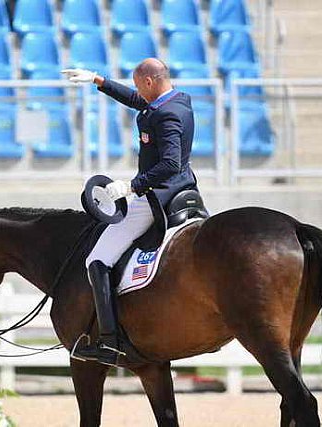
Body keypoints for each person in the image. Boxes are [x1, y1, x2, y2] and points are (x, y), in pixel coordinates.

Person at [62, 58, 200, 366]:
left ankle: (110, 342)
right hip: (184, 189)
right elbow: (139, 101)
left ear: (150, 82)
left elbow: (170, 164)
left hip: (156, 197)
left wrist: (132, 186)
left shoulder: (167, 115)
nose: (138, 93)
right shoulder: (177, 99)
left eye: (140, 85)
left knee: (97, 259)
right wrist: (98, 79)